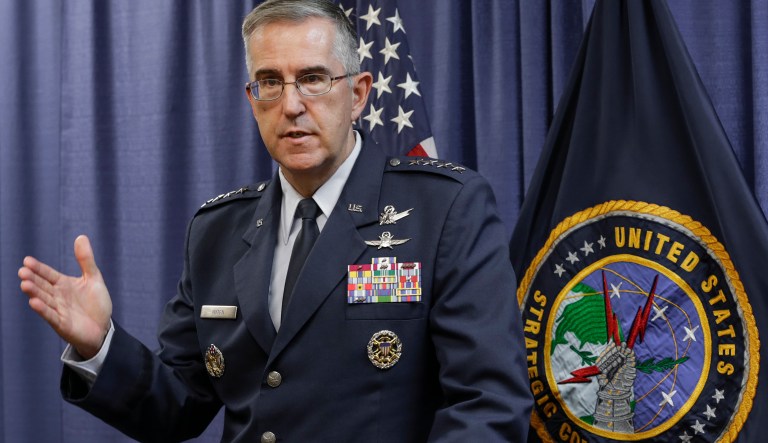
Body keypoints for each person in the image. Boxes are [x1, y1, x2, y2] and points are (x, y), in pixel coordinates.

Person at [18, 0, 532, 441]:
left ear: (357, 94)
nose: (291, 105)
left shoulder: (445, 209)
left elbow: (487, 405)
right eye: (270, 82)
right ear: (252, 99)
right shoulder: (217, 230)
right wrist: (100, 345)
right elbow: (178, 406)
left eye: (312, 79)